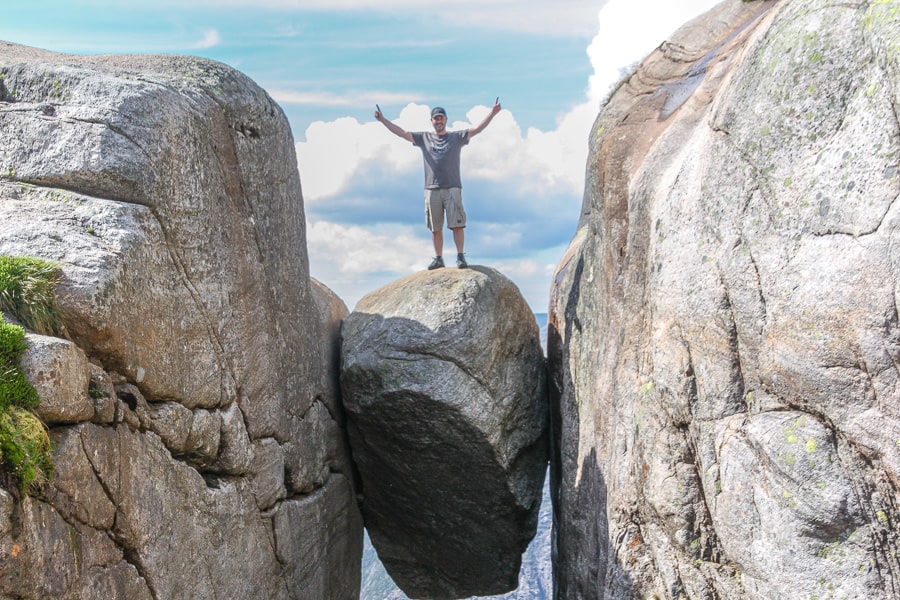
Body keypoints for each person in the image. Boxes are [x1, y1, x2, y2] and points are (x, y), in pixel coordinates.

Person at [375, 100, 501, 269]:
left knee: (457, 224)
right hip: (431, 188)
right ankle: (438, 258)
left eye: (441, 118)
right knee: (435, 227)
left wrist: (493, 113)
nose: (439, 121)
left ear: (446, 120)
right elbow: (402, 133)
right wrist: (383, 120)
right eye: (436, 119)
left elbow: (477, 129)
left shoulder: (456, 137)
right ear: (432, 121)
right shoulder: (424, 138)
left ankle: (460, 257)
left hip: (452, 186)